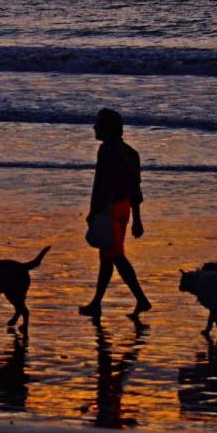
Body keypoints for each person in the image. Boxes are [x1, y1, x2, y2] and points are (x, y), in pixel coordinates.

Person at [78, 107, 151, 319]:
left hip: (110, 208)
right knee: (107, 257)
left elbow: (101, 185)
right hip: (124, 208)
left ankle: (142, 299)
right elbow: (135, 188)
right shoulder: (131, 153)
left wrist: (94, 212)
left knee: (116, 256)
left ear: (106, 128)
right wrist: (137, 218)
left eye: (97, 123)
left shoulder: (106, 151)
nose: (94, 127)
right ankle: (97, 303)